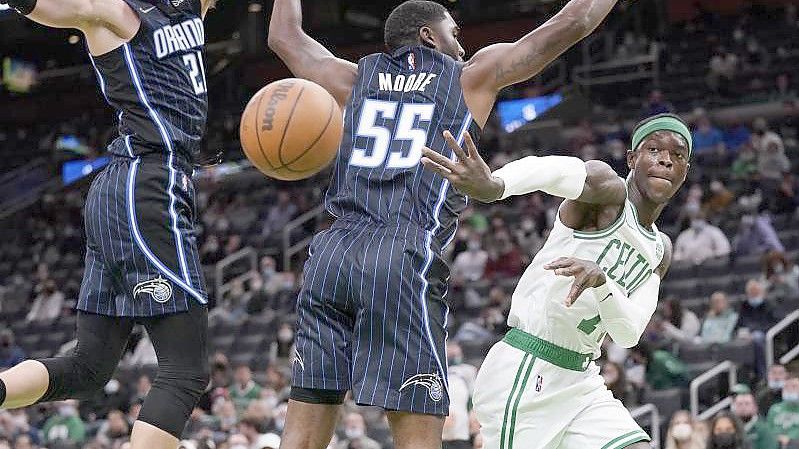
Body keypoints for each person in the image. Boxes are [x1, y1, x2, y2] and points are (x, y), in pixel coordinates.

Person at [268, 0, 620, 447]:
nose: (461, 44)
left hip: (330, 256)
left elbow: (283, 36)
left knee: (301, 434)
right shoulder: (469, 75)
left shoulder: (355, 78)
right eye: (454, 33)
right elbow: (575, 21)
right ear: (428, 37)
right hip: (401, 255)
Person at [0, 1, 217, 449]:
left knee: (89, 368)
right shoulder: (119, 12)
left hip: (123, 190)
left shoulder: (188, 8)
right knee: (185, 370)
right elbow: (59, 7)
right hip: (147, 181)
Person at [423, 113, 691, 448]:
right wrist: (496, 185)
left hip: (581, 378)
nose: (665, 159)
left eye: (677, 155)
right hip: (529, 364)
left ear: (685, 171)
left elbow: (628, 333)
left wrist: (603, 284)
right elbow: (552, 170)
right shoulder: (607, 190)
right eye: (654, 149)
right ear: (633, 159)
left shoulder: (660, 249)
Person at [766, 376, 799, 448]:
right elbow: (768, 431)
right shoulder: (774, 409)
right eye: (786, 387)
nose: (790, 390)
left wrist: (790, 440)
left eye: (794, 386)